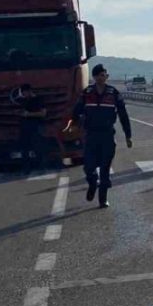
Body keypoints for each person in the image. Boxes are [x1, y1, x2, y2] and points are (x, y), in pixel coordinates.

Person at [65, 64, 132, 208]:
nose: (103, 78)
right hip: (91, 135)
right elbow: (76, 111)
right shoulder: (87, 93)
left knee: (105, 167)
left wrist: (128, 135)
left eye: (105, 75)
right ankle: (92, 183)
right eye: (100, 75)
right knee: (88, 167)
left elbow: (123, 115)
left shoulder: (113, 93)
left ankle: (103, 199)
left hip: (107, 135)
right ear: (94, 77)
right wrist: (73, 125)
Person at [11, 83, 48, 172]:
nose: (23, 94)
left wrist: (29, 114)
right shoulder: (24, 101)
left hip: (35, 126)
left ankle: (41, 166)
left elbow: (43, 113)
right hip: (24, 127)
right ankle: (26, 167)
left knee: (37, 147)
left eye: (23, 92)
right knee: (25, 149)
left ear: (28, 91)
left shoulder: (38, 100)